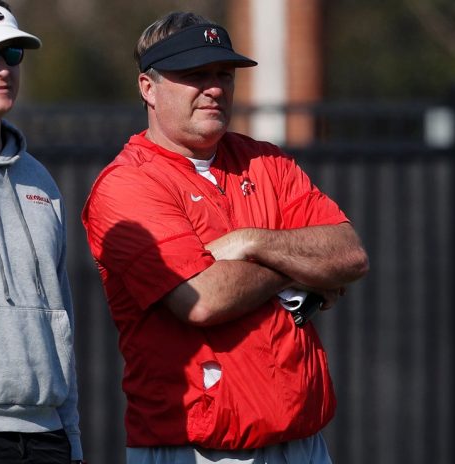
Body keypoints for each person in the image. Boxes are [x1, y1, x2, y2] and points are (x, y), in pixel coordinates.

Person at [81, 10, 369, 464]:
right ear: (148, 88)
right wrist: (295, 270)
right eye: (195, 74)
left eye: (223, 74)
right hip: (199, 449)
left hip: (303, 440)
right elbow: (203, 299)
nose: (214, 88)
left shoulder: (264, 161)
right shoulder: (128, 184)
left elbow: (350, 256)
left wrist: (252, 242)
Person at [0, 1, 84, 463]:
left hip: (47, 437)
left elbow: (60, 315)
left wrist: (74, 440)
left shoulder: (40, 180)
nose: (2, 68)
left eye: (13, 55)